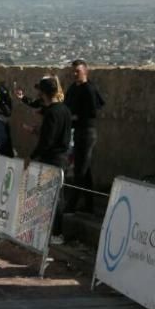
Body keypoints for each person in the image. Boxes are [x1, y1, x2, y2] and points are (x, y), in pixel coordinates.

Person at [23, 76, 72, 245]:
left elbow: (47, 141)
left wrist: (32, 156)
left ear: (43, 93)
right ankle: (51, 231)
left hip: (53, 159)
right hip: (62, 157)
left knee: (55, 197)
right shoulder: (65, 110)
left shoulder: (52, 112)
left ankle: (56, 233)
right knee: (55, 195)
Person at [63, 59, 106, 213]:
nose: (75, 74)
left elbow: (93, 111)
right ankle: (89, 206)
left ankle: (70, 207)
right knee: (85, 170)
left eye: (78, 71)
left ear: (85, 71)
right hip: (78, 132)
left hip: (87, 133)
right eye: (73, 71)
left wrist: (76, 117)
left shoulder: (89, 88)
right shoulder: (74, 88)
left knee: (80, 171)